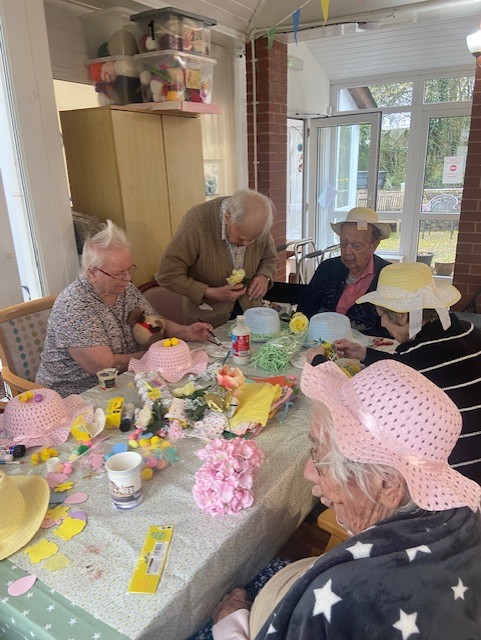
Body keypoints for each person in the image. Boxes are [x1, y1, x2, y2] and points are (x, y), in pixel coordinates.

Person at [210, 359, 481, 639]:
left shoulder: (348, 593)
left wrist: (230, 625)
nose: (308, 473)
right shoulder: (463, 518)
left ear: (387, 485)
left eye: (319, 455)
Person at [328, 261, 481, 483]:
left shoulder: (413, 359)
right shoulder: (469, 331)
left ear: (402, 316)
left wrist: (322, 364)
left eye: (383, 314)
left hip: (456, 475)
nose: (381, 321)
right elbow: (414, 365)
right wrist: (365, 354)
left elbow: (360, 402)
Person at [36, 221, 212, 397]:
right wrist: (154, 356)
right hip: (77, 394)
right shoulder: (74, 307)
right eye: (119, 273)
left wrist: (185, 332)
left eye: (130, 269)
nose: (127, 278)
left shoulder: (125, 289)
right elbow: (103, 366)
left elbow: (154, 322)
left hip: (125, 378)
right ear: (92, 273)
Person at [156, 189, 278, 328]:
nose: (246, 245)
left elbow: (269, 258)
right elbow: (167, 275)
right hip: (207, 320)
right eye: (242, 238)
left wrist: (264, 276)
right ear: (227, 217)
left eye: (253, 240)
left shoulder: (257, 222)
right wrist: (209, 292)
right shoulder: (196, 222)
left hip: (249, 312)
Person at [298, 207, 391, 335]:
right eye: (343, 243)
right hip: (321, 340)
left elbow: (390, 329)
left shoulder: (387, 276)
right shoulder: (327, 269)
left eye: (356, 246)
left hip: (365, 348)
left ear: (374, 245)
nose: (347, 252)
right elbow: (304, 310)